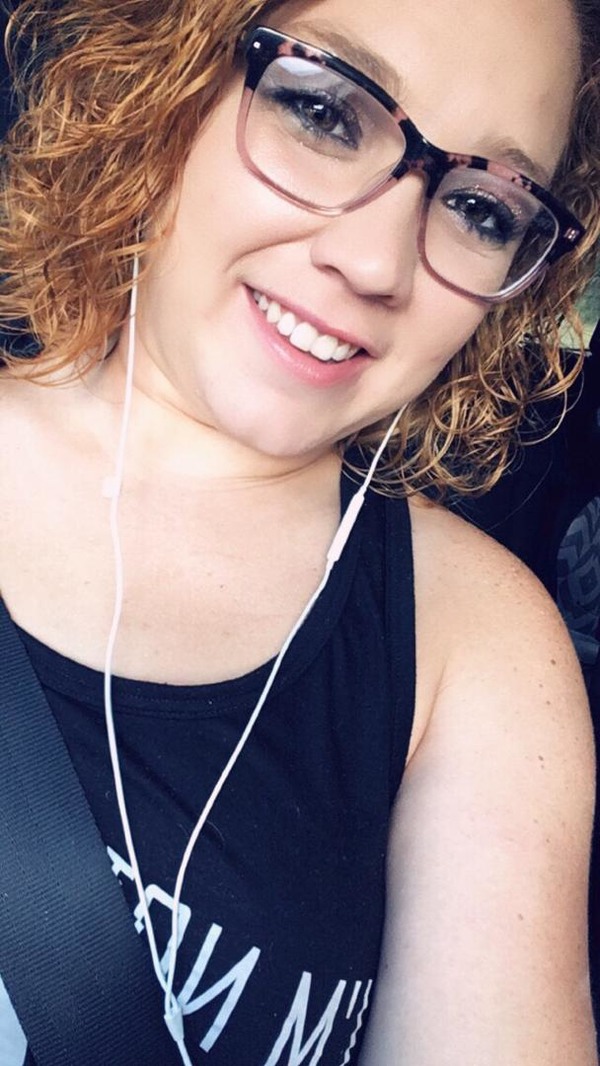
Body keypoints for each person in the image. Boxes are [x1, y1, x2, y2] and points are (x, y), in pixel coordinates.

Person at [0, 0, 598, 1063]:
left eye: (481, 208)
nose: (378, 264)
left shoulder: (479, 648)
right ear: (167, 81)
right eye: (326, 114)